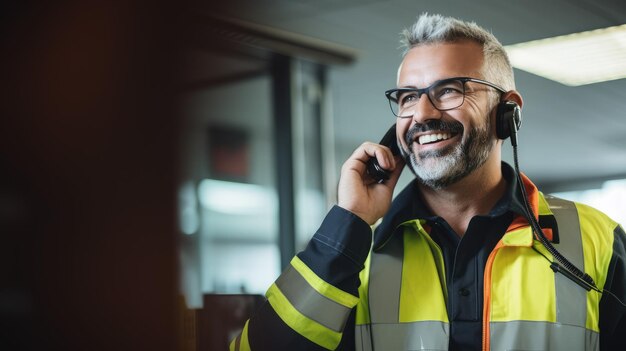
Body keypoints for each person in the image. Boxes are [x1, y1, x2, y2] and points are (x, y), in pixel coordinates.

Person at [229, 13, 626, 351]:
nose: (421, 113)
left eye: (448, 90)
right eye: (406, 97)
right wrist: (348, 219)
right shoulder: (353, 255)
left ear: (508, 111)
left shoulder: (595, 239)